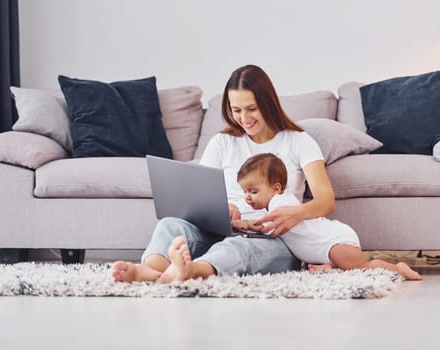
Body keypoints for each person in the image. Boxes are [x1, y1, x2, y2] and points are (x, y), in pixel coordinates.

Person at [111, 64, 336, 283]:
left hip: (273, 238)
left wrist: (296, 213)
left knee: (237, 247)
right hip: (222, 230)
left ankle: (189, 271)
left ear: (268, 104)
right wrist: (220, 209)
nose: (244, 118)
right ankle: (150, 271)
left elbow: (326, 199)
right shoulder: (223, 142)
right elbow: (199, 195)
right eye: (236, 110)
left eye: (251, 109)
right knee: (171, 224)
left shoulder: (299, 141)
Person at [231, 153, 421, 280]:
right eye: (245, 191)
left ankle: (398, 269)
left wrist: (245, 224)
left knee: (361, 267)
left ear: (276, 188)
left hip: (333, 242)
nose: (247, 197)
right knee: (348, 268)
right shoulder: (275, 204)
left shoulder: (280, 203)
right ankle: (331, 267)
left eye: (253, 191)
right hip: (323, 246)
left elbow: (267, 228)